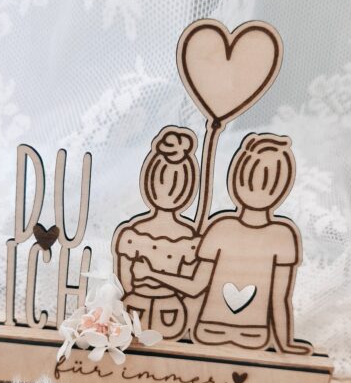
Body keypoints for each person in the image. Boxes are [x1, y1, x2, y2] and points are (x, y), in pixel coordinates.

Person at [133, 133, 312, 354]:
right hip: (222, 333)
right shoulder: (223, 228)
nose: (257, 189)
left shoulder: (276, 235)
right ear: (237, 178)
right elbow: (197, 287)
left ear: (282, 189)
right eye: (249, 179)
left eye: (269, 183)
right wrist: (151, 274)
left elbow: (280, 298)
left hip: (243, 335)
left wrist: (151, 273)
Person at [112, 126, 200, 340]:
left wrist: (151, 274)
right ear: (148, 181)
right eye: (161, 180)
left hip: (171, 312)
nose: (169, 190)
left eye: (179, 183)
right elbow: (123, 285)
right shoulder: (132, 235)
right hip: (135, 310)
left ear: (189, 188)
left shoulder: (190, 239)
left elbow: (193, 287)